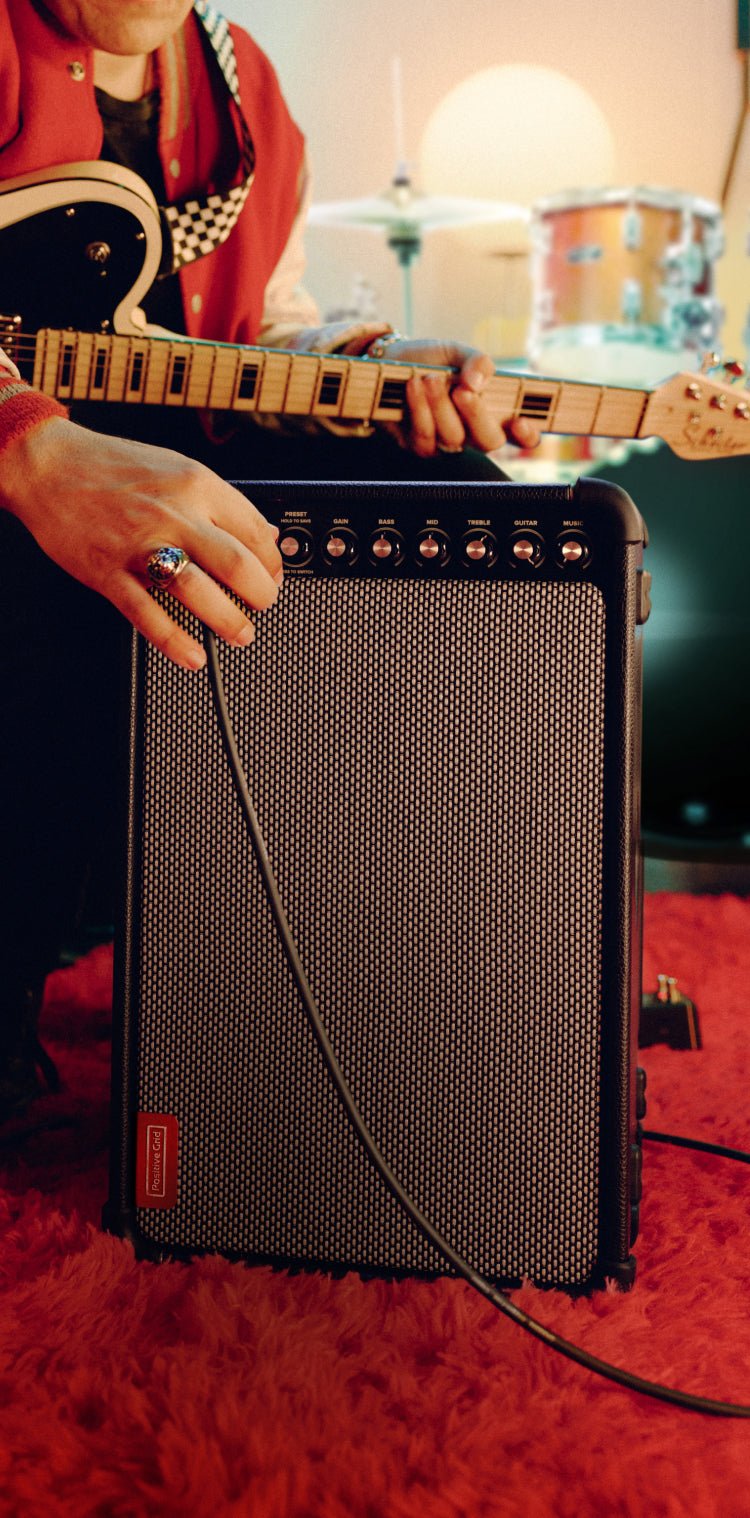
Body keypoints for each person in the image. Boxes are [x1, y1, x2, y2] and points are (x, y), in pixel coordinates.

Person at [0, 0, 538, 1122]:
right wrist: (32, 452)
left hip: (185, 462)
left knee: (471, 517)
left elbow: (252, 335)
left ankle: (418, 976)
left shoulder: (244, 82)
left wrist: (373, 366)